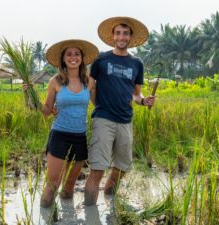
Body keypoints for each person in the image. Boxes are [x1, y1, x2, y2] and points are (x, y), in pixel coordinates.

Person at [84, 17, 156, 205]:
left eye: (125, 33)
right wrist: (97, 105)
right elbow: (90, 87)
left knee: (122, 168)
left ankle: (109, 204)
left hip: (125, 120)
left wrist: (144, 100)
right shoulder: (101, 59)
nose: (121, 37)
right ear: (113, 36)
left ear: (131, 37)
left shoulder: (137, 63)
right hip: (103, 119)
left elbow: (136, 95)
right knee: (98, 169)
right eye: (118, 33)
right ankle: (90, 213)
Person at [27, 39, 99, 208]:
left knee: (69, 187)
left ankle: (68, 218)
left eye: (77, 54)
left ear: (82, 58)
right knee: (52, 185)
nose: (73, 57)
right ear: (63, 59)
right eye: (69, 54)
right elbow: (46, 111)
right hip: (59, 136)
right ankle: (44, 217)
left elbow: (99, 104)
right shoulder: (56, 81)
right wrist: (32, 95)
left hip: (79, 138)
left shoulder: (89, 82)